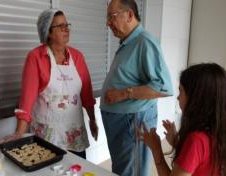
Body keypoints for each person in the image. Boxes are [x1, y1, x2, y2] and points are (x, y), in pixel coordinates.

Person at [12, 9, 98, 159]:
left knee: (75, 170)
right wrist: (19, 134)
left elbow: (87, 95)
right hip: (47, 136)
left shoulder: (77, 57)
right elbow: (27, 101)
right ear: (48, 32)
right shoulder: (36, 58)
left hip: (74, 134)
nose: (66, 29)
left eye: (67, 25)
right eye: (60, 26)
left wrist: (92, 120)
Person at [100, 0, 173, 175]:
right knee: (122, 168)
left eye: (112, 16)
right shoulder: (129, 42)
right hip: (123, 122)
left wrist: (124, 94)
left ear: (130, 15)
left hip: (132, 121)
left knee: (131, 171)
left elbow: (163, 87)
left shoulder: (144, 42)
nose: (108, 23)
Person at [139, 63, 226, 176]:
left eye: (181, 91)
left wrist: (156, 149)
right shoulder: (218, 132)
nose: (178, 97)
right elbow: (202, 159)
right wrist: (177, 142)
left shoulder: (196, 140)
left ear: (196, 99)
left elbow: (198, 149)